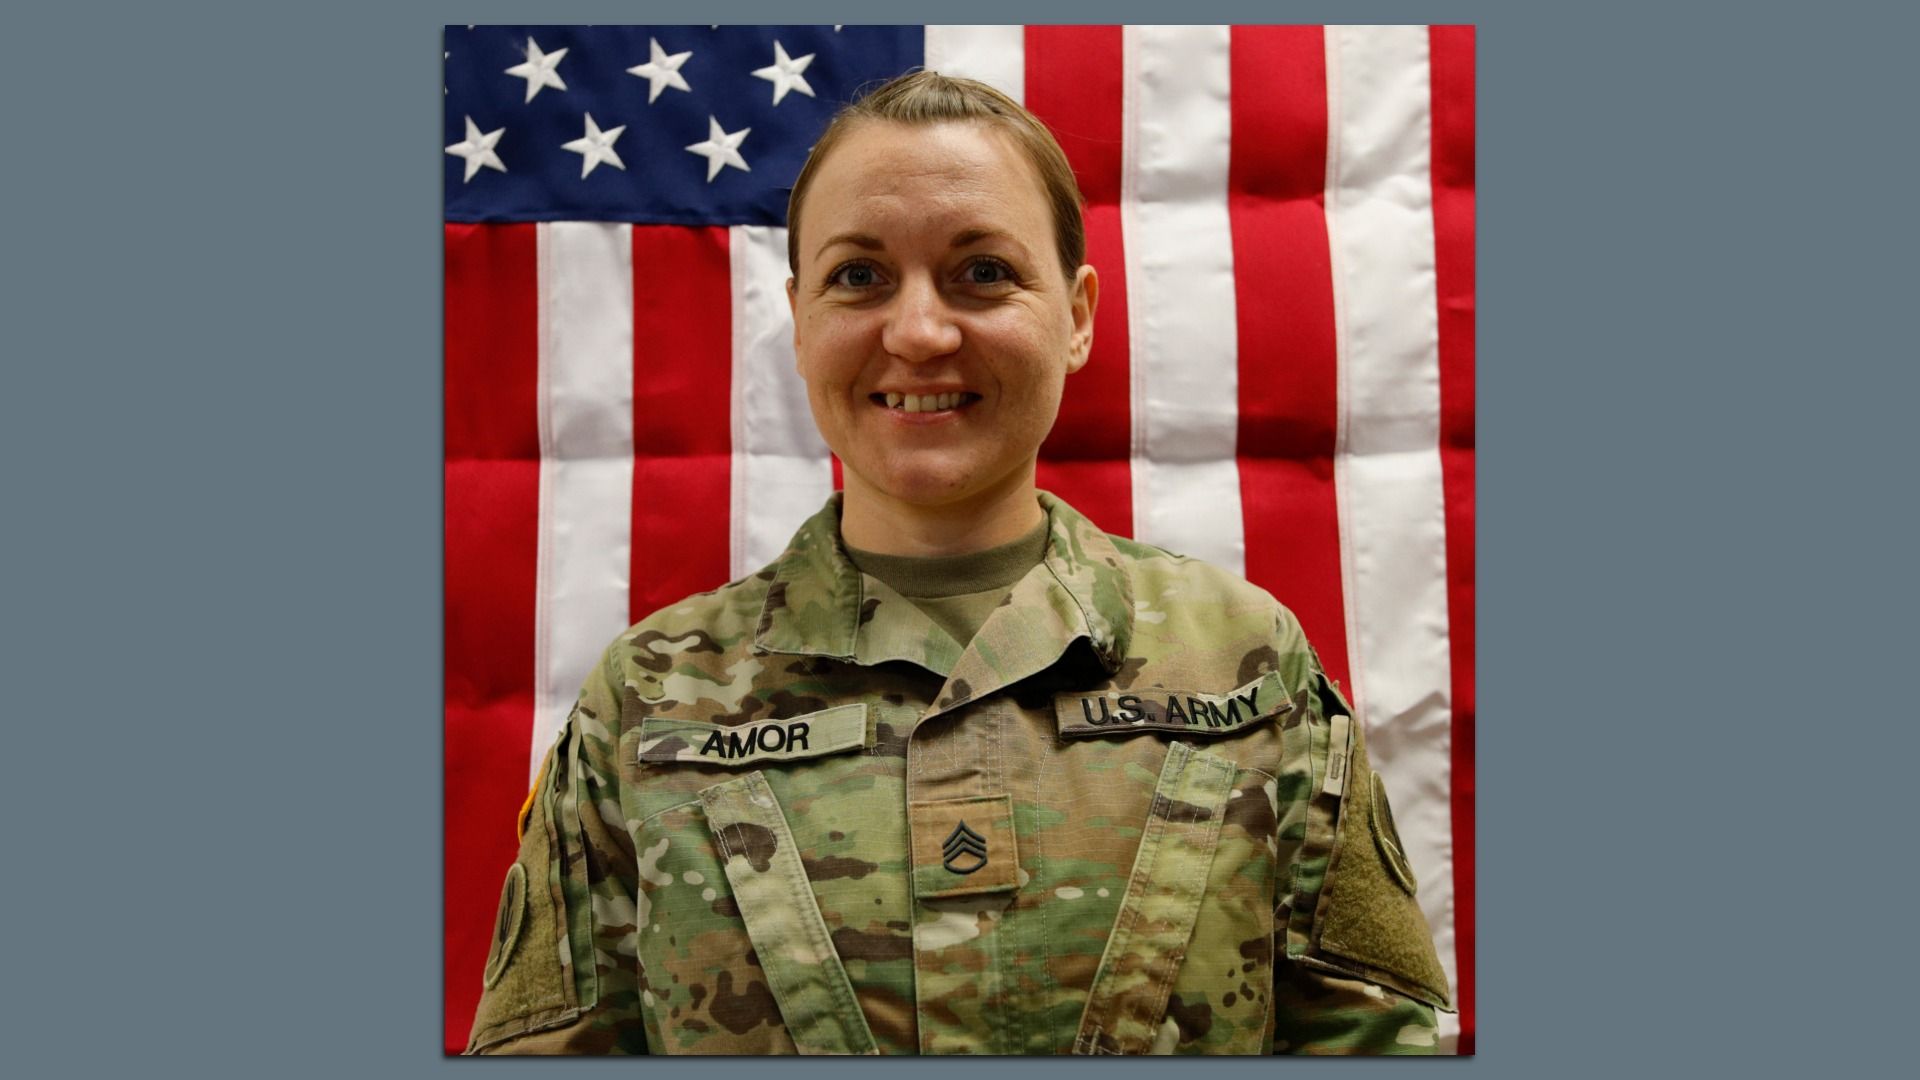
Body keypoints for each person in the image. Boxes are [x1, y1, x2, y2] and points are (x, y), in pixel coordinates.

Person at [465, 70, 1452, 1056]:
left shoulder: (1244, 666)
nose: (921, 331)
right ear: (799, 317)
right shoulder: (650, 699)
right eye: (859, 277)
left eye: (983, 273)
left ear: (1076, 316)